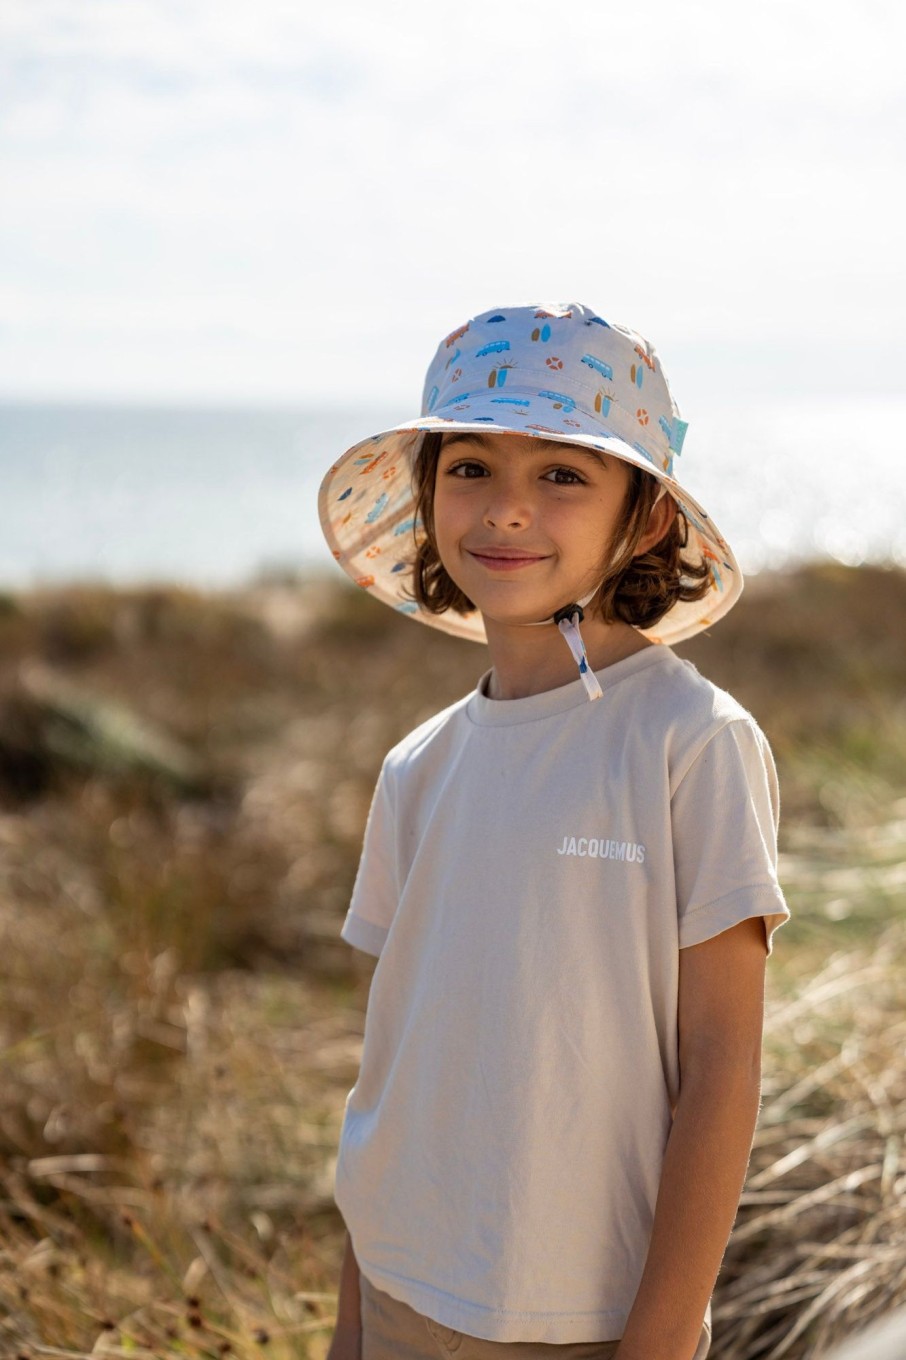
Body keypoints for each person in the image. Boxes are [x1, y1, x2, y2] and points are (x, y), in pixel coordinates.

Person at [318, 302, 790, 1360]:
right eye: (472, 466)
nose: (509, 511)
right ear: (428, 492)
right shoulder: (418, 766)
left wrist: (660, 1341)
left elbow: (722, 1065)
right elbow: (392, 1068)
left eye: (564, 474)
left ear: (649, 517)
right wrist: (352, 1325)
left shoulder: (691, 741)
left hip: (583, 1320)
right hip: (400, 1288)